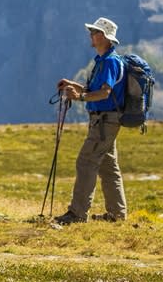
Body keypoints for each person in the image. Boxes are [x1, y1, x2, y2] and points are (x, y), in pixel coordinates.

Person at [54, 17, 128, 225]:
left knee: (86, 162)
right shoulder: (104, 60)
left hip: (104, 122)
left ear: (103, 36)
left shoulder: (110, 62)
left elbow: (105, 93)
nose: (91, 36)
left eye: (94, 32)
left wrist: (80, 97)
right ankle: (117, 214)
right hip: (105, 121)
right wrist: (74, 85)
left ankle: (77, 214)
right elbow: (95, 90)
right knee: (107, 166)